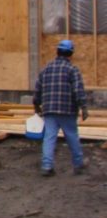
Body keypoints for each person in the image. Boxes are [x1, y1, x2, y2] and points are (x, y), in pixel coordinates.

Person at [33, 39, 89, 176]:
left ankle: (47, 166)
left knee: (49, 137)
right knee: (72, 137)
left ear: (57, 52)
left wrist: (36, 105)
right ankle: (78, 164)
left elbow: (38, 89)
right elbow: (78, 90)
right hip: (67, 110)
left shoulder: (46, 69)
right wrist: (84, 107)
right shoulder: (72, 70)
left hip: (49, 110)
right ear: (70, 54)